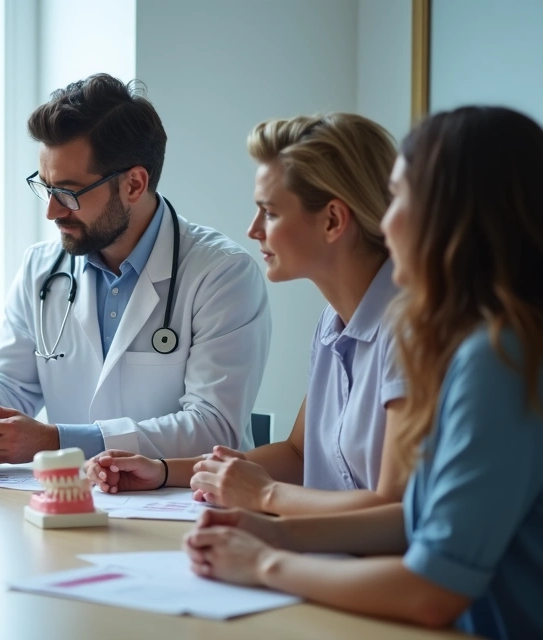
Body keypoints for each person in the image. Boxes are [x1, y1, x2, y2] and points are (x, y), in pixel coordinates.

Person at [182, 106, 543, 638]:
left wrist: (263, 563)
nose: (385, 218)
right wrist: (274, 535)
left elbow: (433, 588)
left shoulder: (498, 357)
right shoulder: (484, 343)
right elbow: (417, 522)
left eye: (400, 199)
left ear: (452, 219)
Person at [0, 73, 271, 464]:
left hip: (186, 505)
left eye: (67, 192)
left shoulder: (222, 274)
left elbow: (212, 427)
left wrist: (58, 440)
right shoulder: (42, 268)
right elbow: (12, 385)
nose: (51, 210)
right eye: (46, 188)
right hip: (74, 501)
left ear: (134, 184)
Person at [87, 113, 410, 516]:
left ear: (332, 220)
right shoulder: (335, 320)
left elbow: (395, 511)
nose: (253, 229)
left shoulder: (409, 329)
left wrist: (264, 501)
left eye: (270, 213)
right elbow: (297, 454)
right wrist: (166, 470)